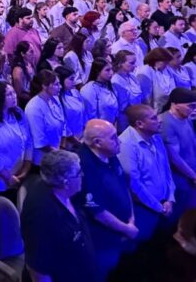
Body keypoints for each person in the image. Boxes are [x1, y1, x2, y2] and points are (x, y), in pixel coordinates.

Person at [22, 150, 100, 282]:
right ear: (65, 181)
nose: (82, 175)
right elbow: (39, 270)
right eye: (79, 173)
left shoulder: (66, 191)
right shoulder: (42, 216)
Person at [75, 119, 137, 279]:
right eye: (113, 137)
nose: (119, 141)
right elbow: (98, 213)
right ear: (97, 142)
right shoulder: (84, 166)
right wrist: (126, 228)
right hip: (101, 239)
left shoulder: (110, 154)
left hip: (123, 228)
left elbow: (123, 186)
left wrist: (131, 218)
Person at [159, 88, 196, 256]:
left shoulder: (186, 119)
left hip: (193, 175)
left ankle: (184, 234)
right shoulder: (166, 124)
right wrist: (194, 175)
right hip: (179, 179)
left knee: (193, 207)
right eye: (191, 106)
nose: (195, 110)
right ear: (175, 104)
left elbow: (195, 144)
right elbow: (174, 158)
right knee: (173, 216)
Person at [117, 104, 175, 243]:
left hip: (163, 204)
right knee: (142, 246)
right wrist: (159, 207)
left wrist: (170, 198)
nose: (160, 120)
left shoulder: (155, 136)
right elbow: (134, 186)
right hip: (143, 209)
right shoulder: (126, 145)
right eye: (154, 118)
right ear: (140, 124)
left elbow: (166, 168)